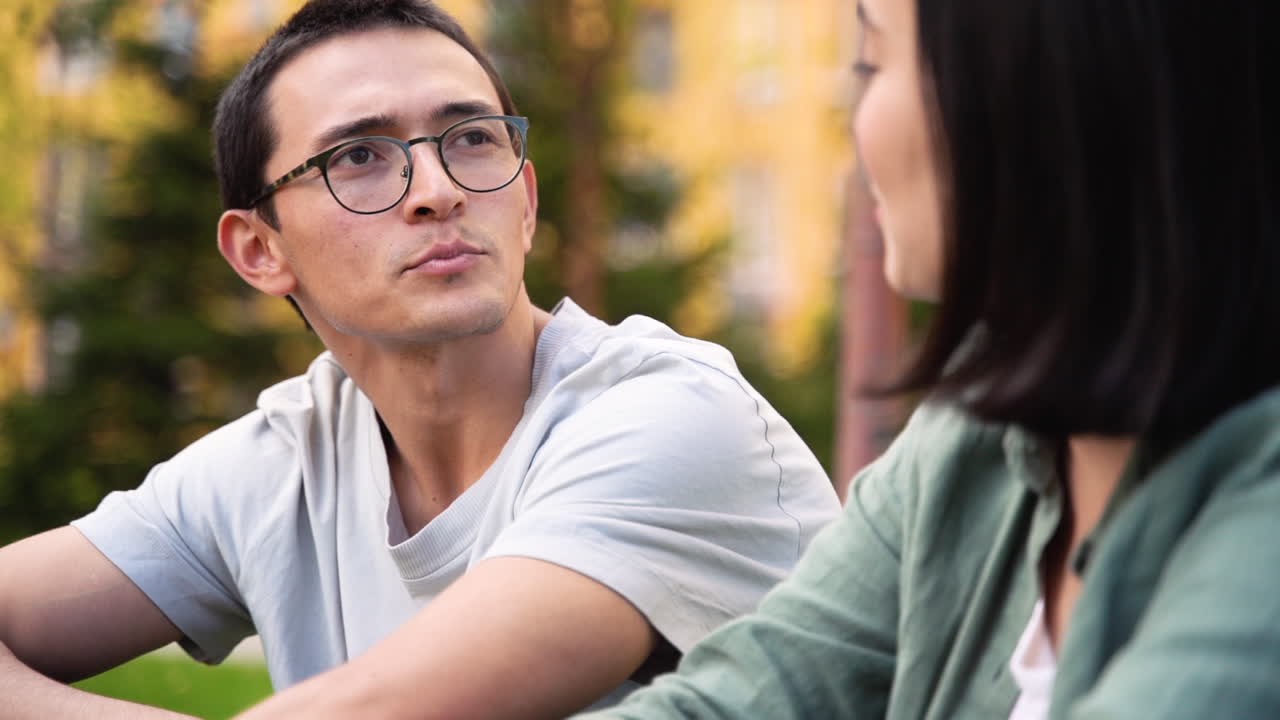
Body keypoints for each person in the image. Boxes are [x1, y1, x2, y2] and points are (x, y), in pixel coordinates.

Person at [0, 1, 842, 717]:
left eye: (472, 139)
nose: (438, 189)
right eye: (358, 157)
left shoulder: (675, 421)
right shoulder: (285, 461)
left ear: (526, 202)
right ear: (259, 250)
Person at [579, 0, 1280, 718]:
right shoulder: (982, 423)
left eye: (872, 64)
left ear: (1039, 86)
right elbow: (754, 689)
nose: (856, 126)